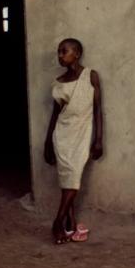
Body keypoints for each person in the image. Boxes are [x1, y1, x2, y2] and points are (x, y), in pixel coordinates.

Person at [44, 38, 103, 245]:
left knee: (73, 177)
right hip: (62, 136)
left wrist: (98, 139)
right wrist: (47, 142)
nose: (60, 55)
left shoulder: (90, 76)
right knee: (67, 179)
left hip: (82, 134)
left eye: (64, 51)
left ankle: (58, 222)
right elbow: (55, 114)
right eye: (59, 52)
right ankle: (70, 222)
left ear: (76, 53)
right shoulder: (58, 83)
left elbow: (97, 110)